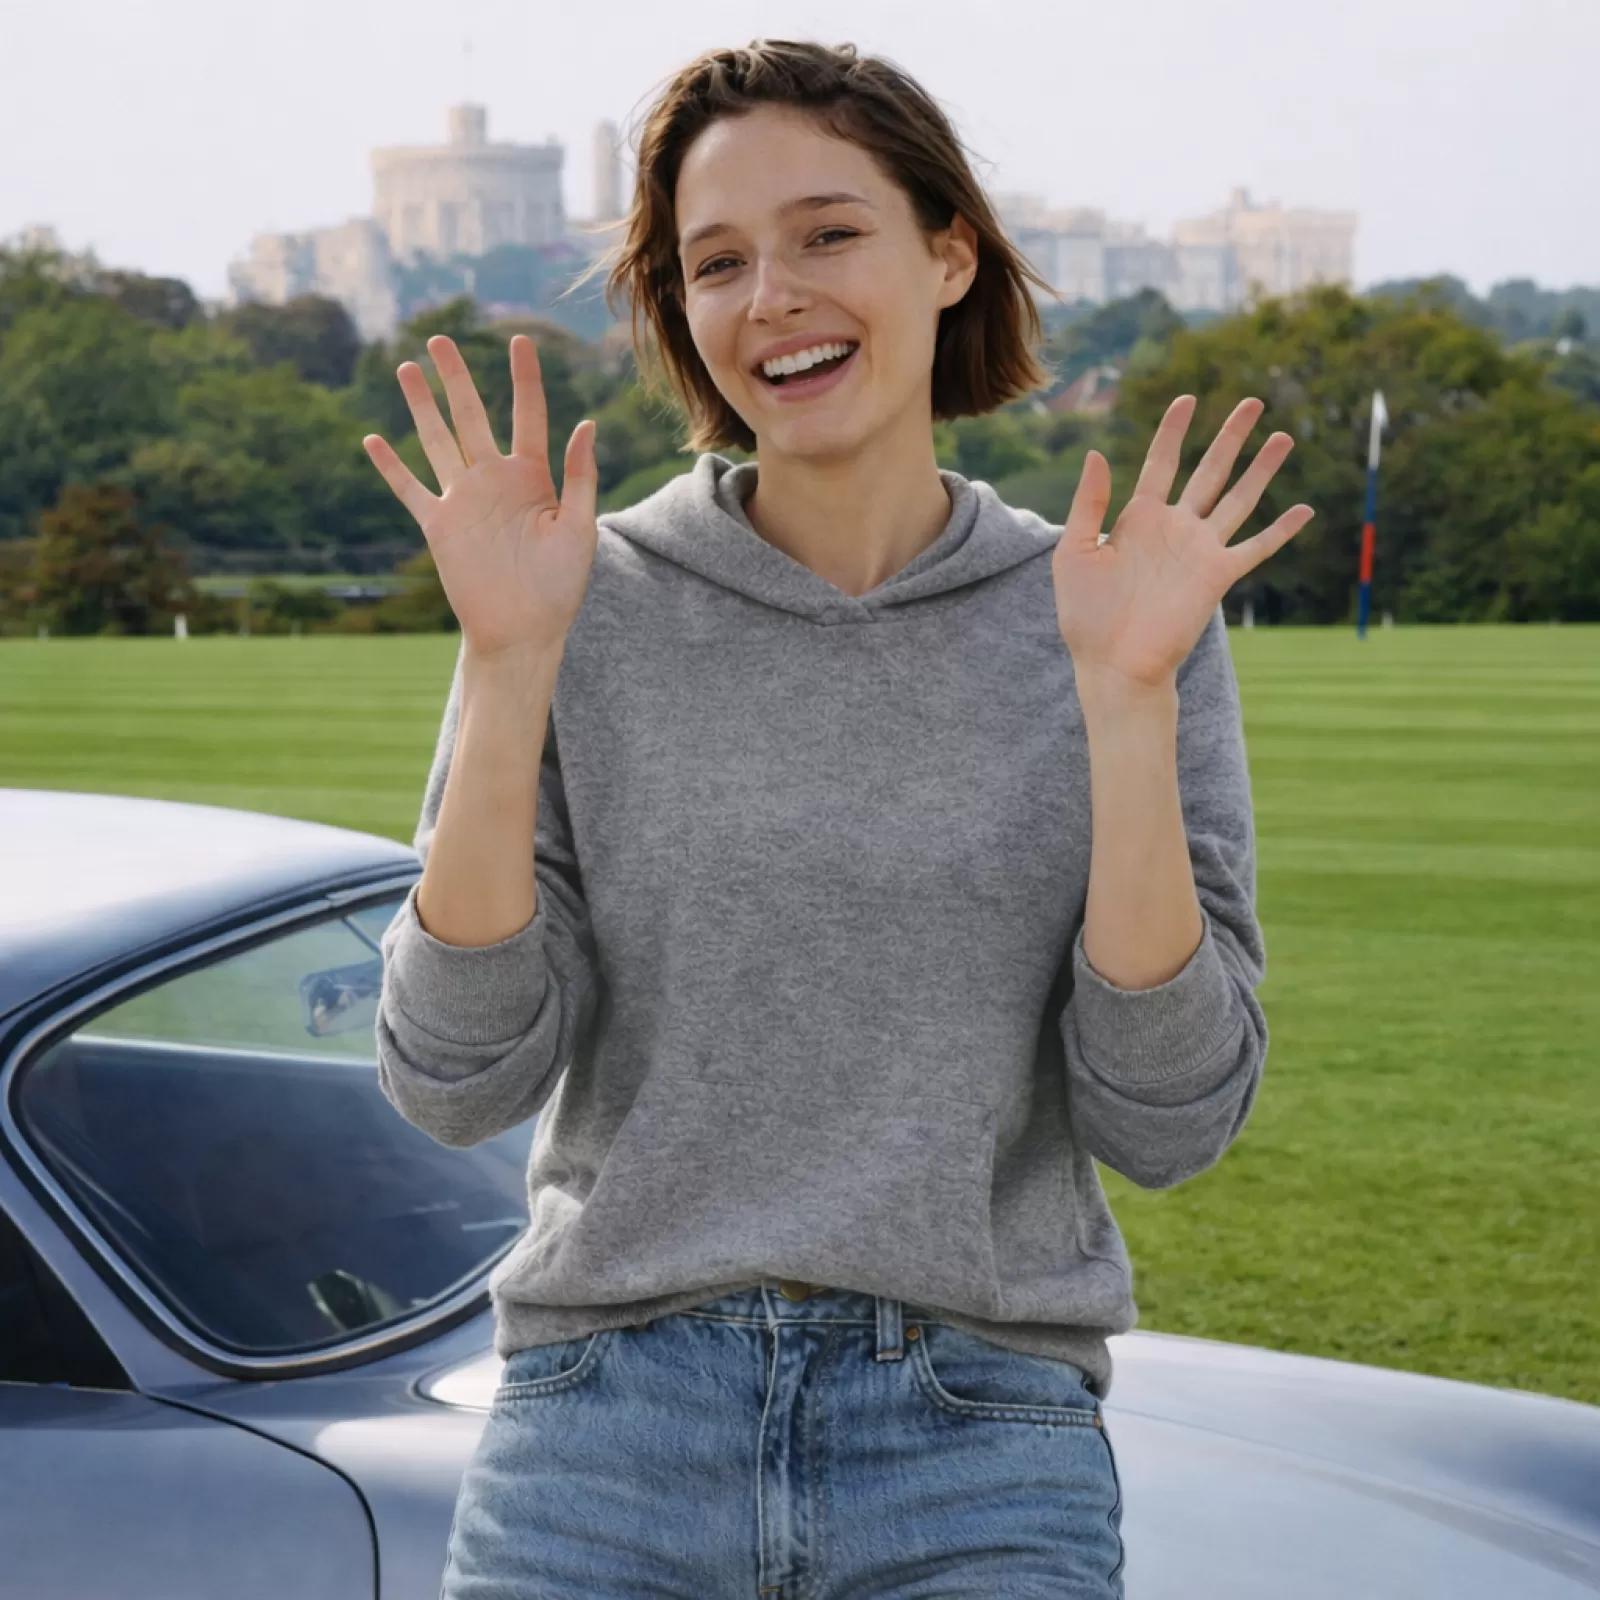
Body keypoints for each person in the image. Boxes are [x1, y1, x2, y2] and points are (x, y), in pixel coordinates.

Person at [363, 37, 1313, 1600]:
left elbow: (1170, 1120)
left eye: (827, 234)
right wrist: (509, 662)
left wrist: (1126, 701)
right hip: (606, 1432)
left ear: (949, 254)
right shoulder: (572, 598)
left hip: (977, 1443)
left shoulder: (1118, 616)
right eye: (716, 262)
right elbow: (454, 1080)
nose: (772, 298)